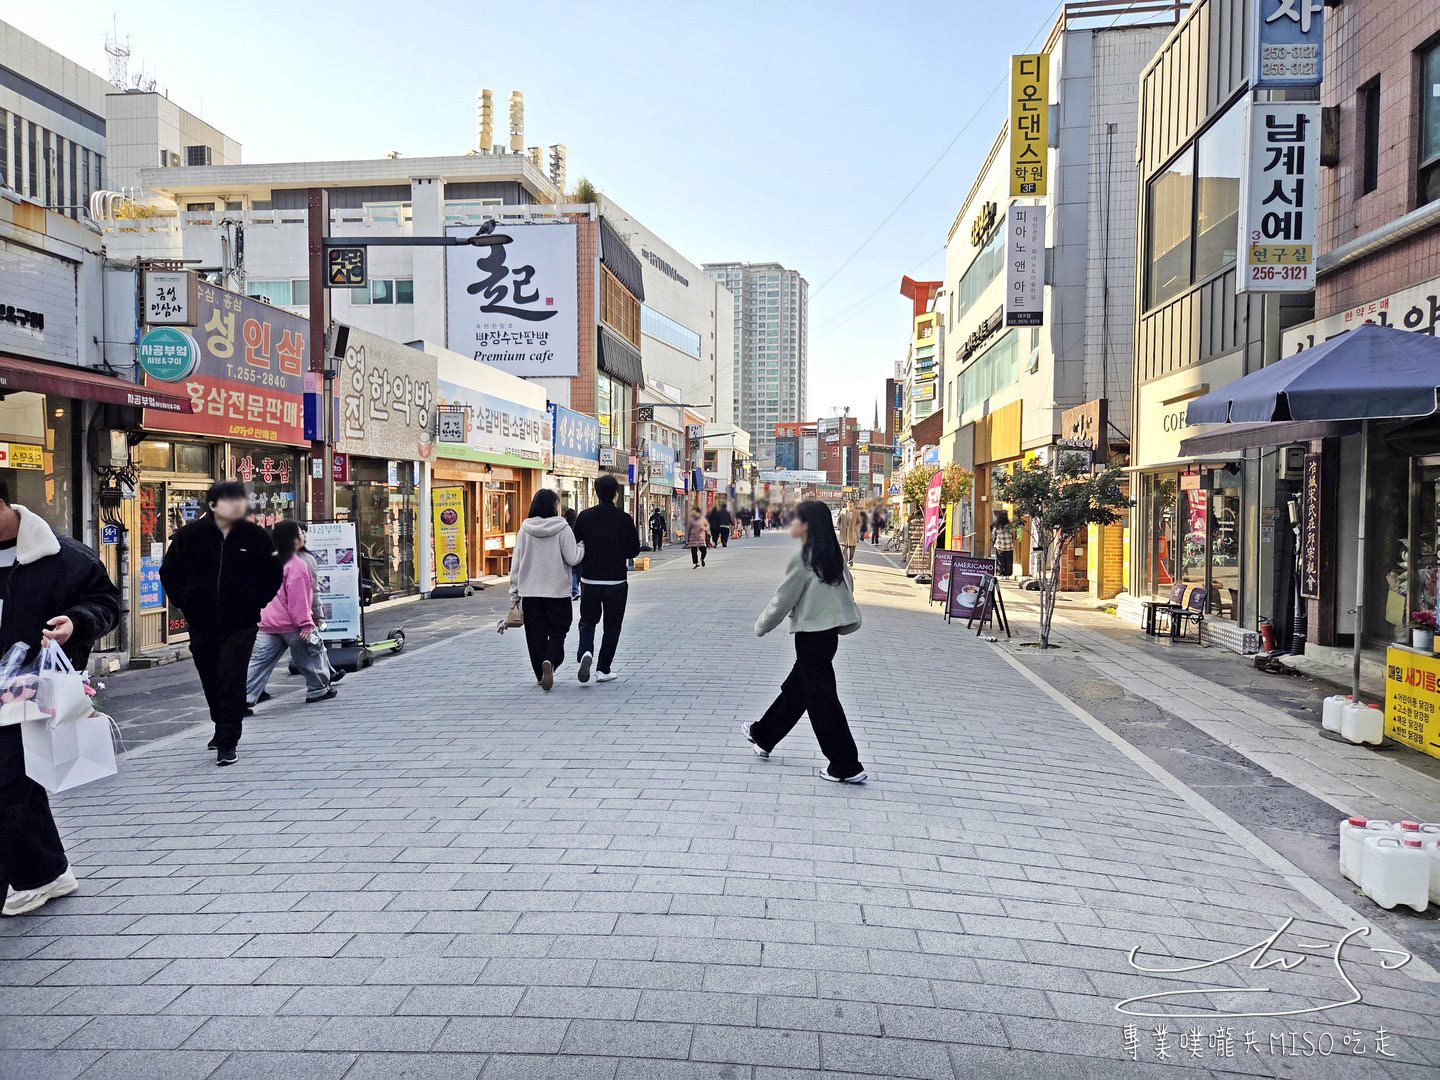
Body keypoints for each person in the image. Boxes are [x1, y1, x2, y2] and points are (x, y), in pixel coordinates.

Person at [0, 489, 121, 917]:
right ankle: (45, 874)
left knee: (7, 782)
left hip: (28, 695)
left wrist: (78, 621)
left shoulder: (61, 554)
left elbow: (107, 604)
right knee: (21, 784)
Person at [160, 481, 283, 766]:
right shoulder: (189, 537)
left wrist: (256, 600)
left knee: (232, 677)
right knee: (210, 677)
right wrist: (185, 600)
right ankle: (220, 725)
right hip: (201, 622)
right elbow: (169, 572)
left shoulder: (255, 536)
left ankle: (228, 741)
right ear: (213, 505)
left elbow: (273, 574)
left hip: (241, 622)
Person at [742, 500, 866, 784]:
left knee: (822, 701)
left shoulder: (806, 558)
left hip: (810, 637)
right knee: (798, 690)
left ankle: (846, 765)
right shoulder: (832, 556)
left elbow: (783, 598)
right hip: (828, 636)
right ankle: (763, 735)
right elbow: (849, 587)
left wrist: (761, 626)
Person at [245, 521, 334, 710]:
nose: (303, 536)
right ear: (294, 538)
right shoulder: (296, 565)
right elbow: (298, 599)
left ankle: (243, 699)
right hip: (292, 625)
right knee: (309, 657)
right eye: (300, 533)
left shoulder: (265, 560)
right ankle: (318, 690)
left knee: (258, 664)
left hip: (266, 624)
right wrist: (306, 624)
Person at [510, 489, 584, 691]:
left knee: (535, 635)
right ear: (554, 506)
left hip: (530, 594)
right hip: (557, 593)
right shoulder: (563, 528)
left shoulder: (524, 531)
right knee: (559, 631)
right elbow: (572, 558)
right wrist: (582, 548)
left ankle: (540, 674)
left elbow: (516, 565)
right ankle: (550, 661)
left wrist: (514, 594)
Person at [571, 474, 640, 684]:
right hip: (616, 581)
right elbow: (634, 550)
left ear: (595, 492)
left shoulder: (584, 516)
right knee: (612, 625)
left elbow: (574, 543)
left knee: (588, 621)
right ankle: (603, 669)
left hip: (590, 579)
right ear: (615, 495)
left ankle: (585, 651)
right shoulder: (624, 518)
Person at [297, 527, 344, 686]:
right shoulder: (304, 559)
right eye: (300, 533)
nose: (304, 536)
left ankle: (329, 674)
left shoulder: (278, 557)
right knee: (314, 650)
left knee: (262, 660)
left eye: (304, 533)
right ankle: (320, 685)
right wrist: (318, 616)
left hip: (276, 620)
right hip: (301, 617)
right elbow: (313, 590)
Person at [563, 507, 582, 599]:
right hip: (578, 553)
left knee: (573, 572)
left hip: (569, 552)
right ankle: (576, 589)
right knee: (577, 572)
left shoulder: (566, 528)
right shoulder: (577, 526)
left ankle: (574, 590)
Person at [836, 500, 861, 567]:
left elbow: (859, 522)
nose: (850, 504)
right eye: (848, 502)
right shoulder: (842, 512)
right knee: (844, 549)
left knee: (852, 550)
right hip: (844, 534)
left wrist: (856, 528)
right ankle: (845, 563)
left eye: (851, 503)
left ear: (853, 504)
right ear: (847, 503)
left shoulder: (856, 513)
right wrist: (839, 527)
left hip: (853, 534)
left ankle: (850, 562)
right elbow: (838, 521)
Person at [991, 509, 1015, 577]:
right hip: (1009, 546)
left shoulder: (997, 525)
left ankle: (1000, 573)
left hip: (1000, 546)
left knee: (1000, 560)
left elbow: (993, 533)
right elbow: (1013, 534)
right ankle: (1008, 574)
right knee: (1009, 561)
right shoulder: (1010, 524)